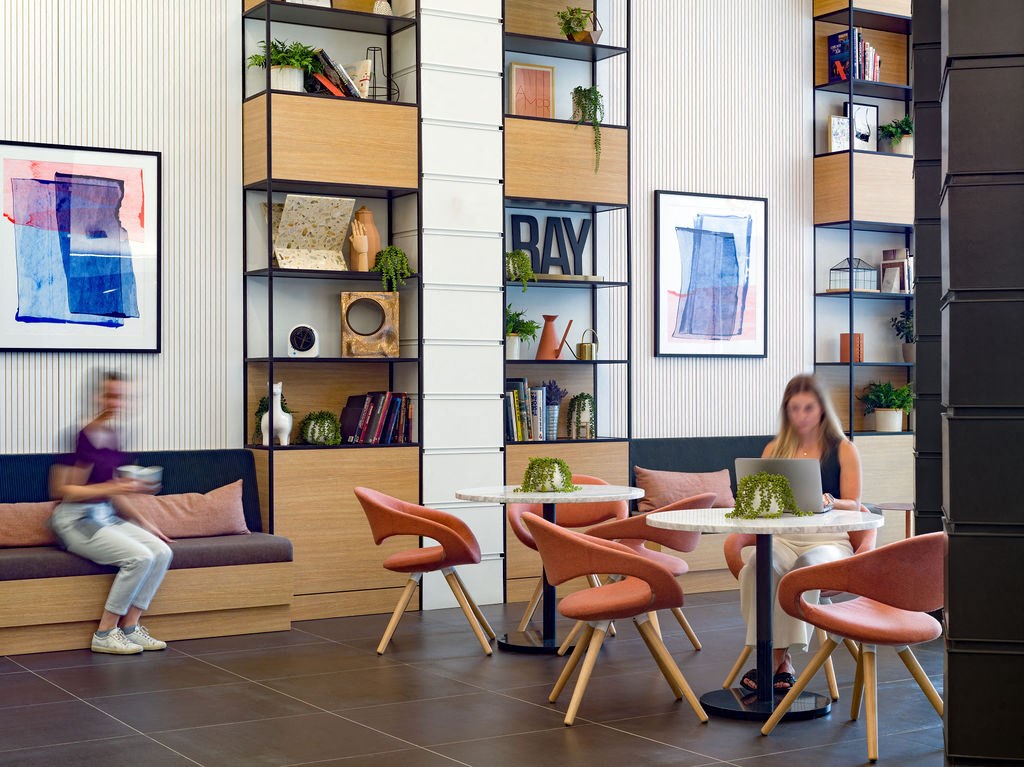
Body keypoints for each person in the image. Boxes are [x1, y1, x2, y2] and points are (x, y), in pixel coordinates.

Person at [738, 373, 863, 692]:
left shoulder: (843, 449)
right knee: (758, 566)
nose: (801, 416)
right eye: (794, 409)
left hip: (829, 541)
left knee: (805, 567)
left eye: (808, 408)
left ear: (821, 409)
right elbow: (759, 506)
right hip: (781, 537)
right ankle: (782, 664)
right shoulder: (773, 450)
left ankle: (774, 658)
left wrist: (830, 500)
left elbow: (856, 504)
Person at [50, 372, 173, 655]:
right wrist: (113, 485)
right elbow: (63, 489)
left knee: (162, 551)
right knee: (139, 557)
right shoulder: (84, 436)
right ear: (98, 397)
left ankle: (131, 627)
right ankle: (105, 633)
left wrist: (145, 522)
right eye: (112, 395)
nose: (118, 402)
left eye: (123, 396)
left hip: (105, 514)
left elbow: (116, 493)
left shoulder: (113, 436)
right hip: (76, 519)